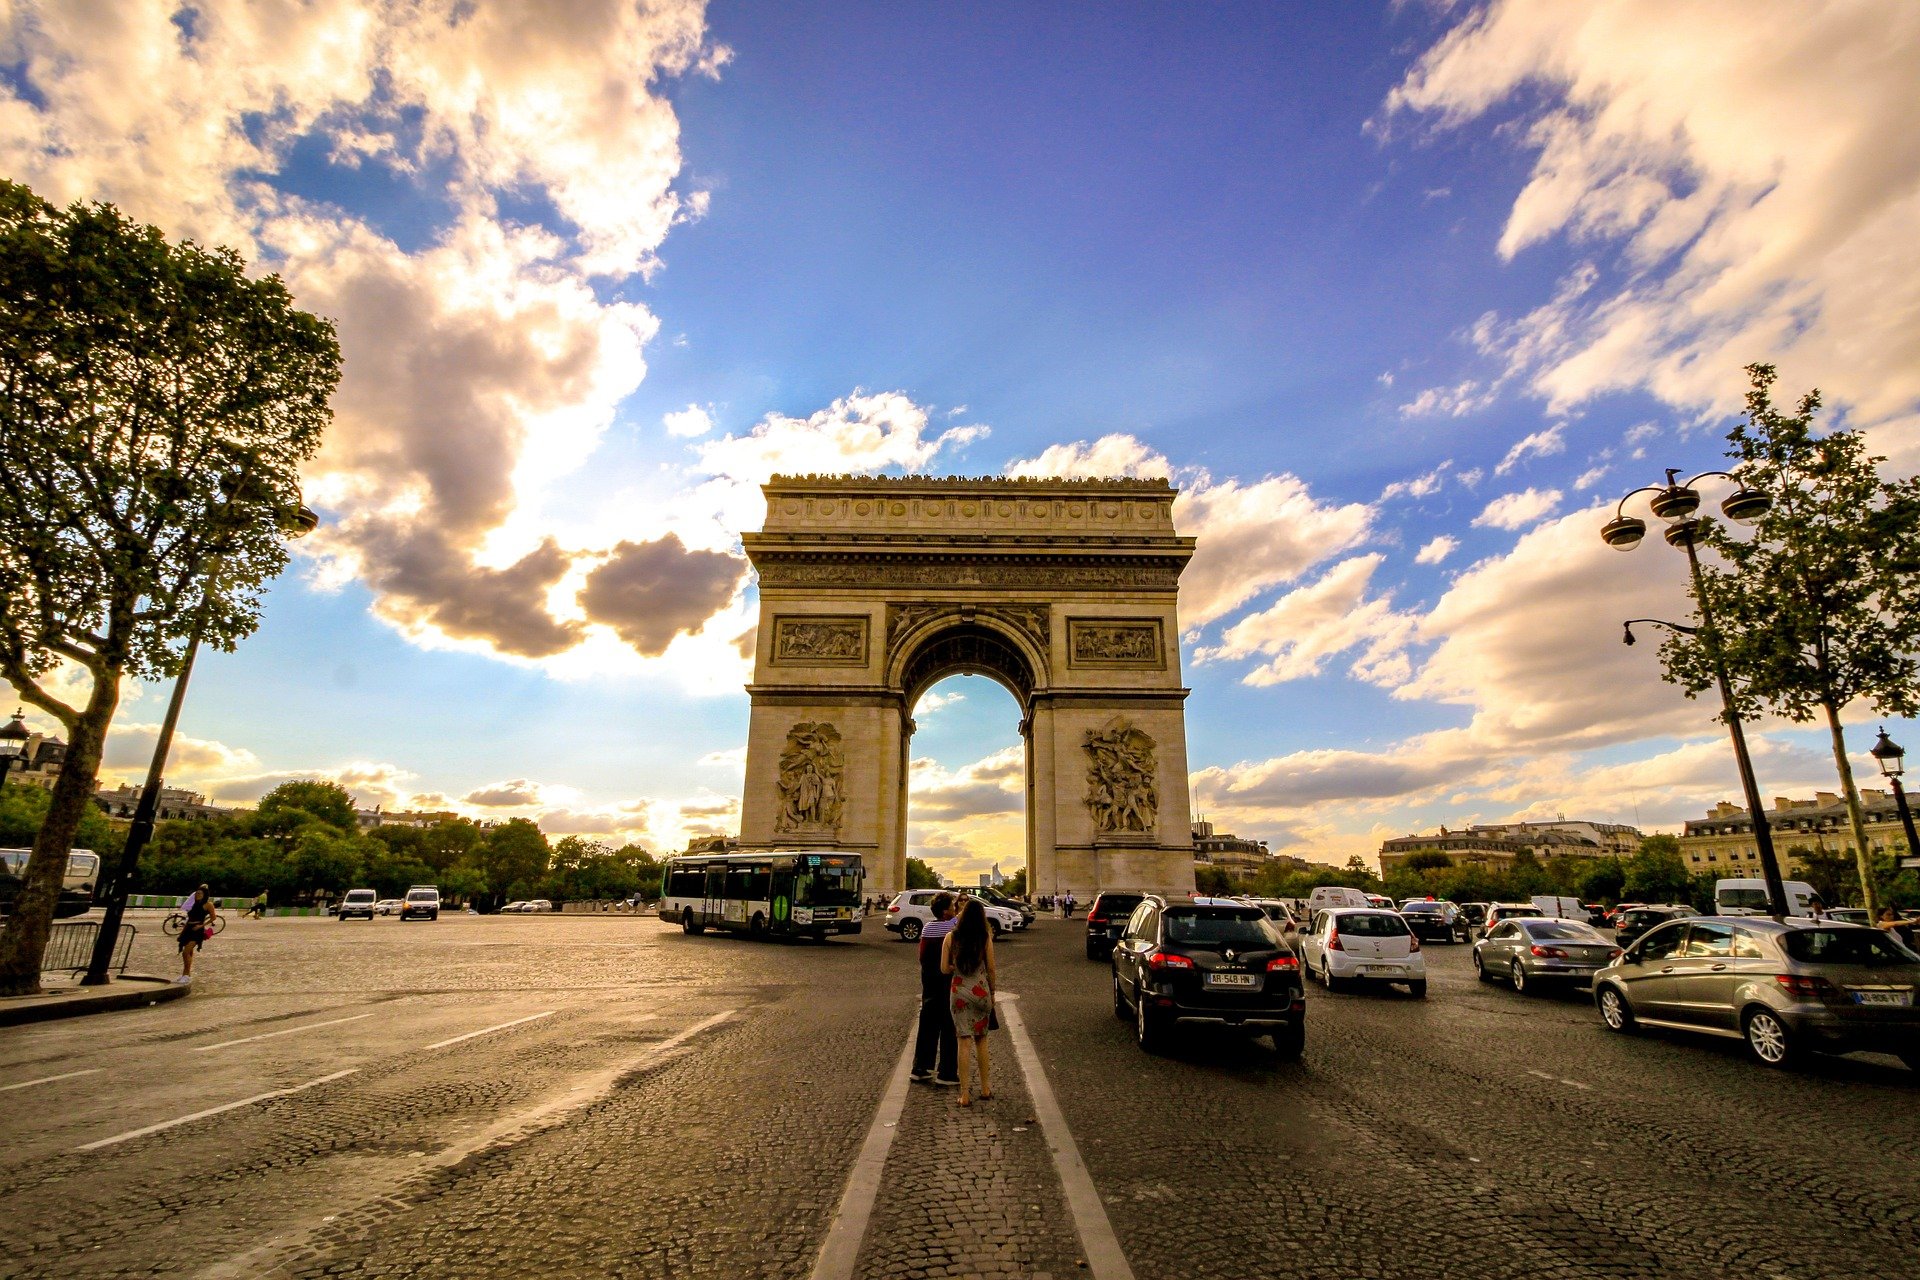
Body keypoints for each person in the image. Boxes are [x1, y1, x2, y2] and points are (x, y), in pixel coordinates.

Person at [941, 898, 997, 1106]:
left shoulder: (950, 937)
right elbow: (991, 968)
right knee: (981, 1041)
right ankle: (985, 1088)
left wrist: (955, 968)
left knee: (963, 1042)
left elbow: (943, 969)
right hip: (981, 992)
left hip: (959, 993)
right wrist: (992, 992)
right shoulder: (984, 937)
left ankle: (964, 1095)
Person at [909, 893, 960, 1087]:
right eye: (952, 906)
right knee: (949, 1025)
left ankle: (920, 1068)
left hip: (929, 982)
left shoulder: (927, 928)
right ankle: (946, 1072)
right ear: (946, 910)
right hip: (947, 980)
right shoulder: (952, 926)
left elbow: (922, 957)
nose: (955, 909)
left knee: (927, 1024)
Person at [177, 884, 217, 984]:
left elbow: (213, 918)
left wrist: (201, 926)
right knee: (189, 952)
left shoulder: (208, 904)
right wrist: (182, 931)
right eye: (197, 893)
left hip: (197, 930)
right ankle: (186, 975)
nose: (197, 895)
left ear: (205, 894)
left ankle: (186, 975)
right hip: (188, 928)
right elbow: (189, 918)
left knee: (186, 952)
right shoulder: (195, 904)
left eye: (200, 893)